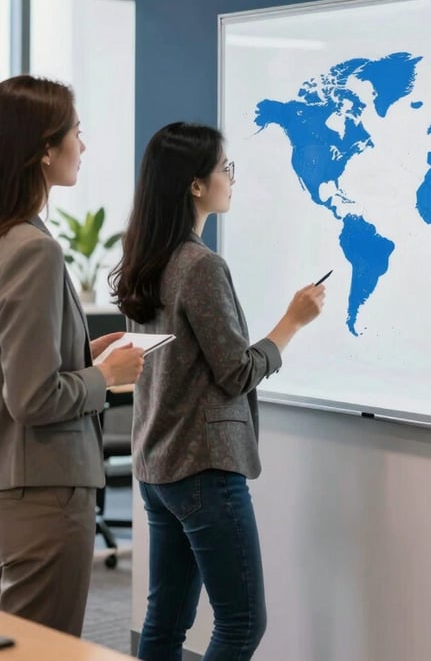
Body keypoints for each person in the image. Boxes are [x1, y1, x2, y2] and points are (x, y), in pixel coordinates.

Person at [110, 122, 325, 661]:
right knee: (242, 621)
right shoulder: (201, 266)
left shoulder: (148, 258)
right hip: (202, 469)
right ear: (195, 185)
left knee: (165, 622)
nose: (231, 178)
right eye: (224, 168)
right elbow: (236, 373)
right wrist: (291, 323)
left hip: (159, 466)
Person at [0, 76, 145, 636]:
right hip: (47, 490)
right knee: (46, 646)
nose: (81, 147)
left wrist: (81, 355)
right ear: (43, 148)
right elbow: (33, 397)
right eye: (76, 134)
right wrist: (104, 377)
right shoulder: (35, 249)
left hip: (21, 483)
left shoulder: (12, 237)